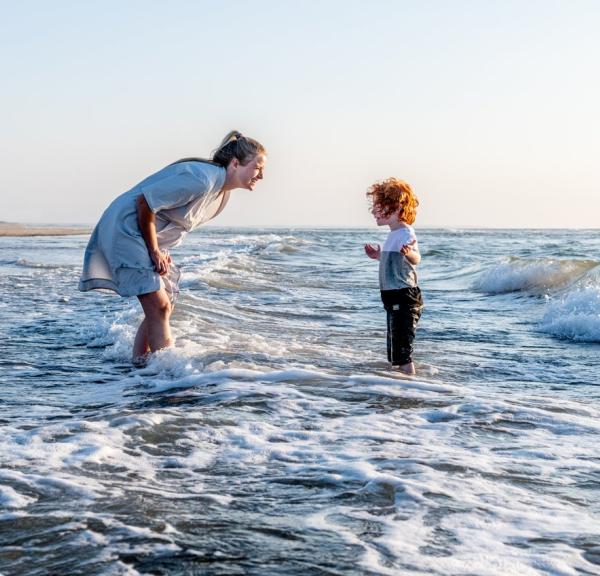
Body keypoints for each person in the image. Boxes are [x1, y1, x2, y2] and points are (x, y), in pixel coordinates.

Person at [79, 131, 267, 364]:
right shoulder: (202, 179)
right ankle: (162, 376)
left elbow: (169, 217)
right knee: (159, 306)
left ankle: (141, 366)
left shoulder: (220, 192)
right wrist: (153, 250)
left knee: (165, 302)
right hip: (125, 228)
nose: (262, 175)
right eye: (258, 168)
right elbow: (145, 203)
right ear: (236, 163)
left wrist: (160, 248)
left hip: (142, 232)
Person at [364, 178, 423, 375]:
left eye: (378, 206)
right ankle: (396, 385)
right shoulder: (392, 235)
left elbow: (416, 259)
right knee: (394, 348)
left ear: (397, 207)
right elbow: (393, 261)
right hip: (393, 297)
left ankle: (410, 385)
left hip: (405, 296)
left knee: (403, 350)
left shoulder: (406, 232)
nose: (373, 211)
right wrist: (378, 256)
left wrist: (408, 253)